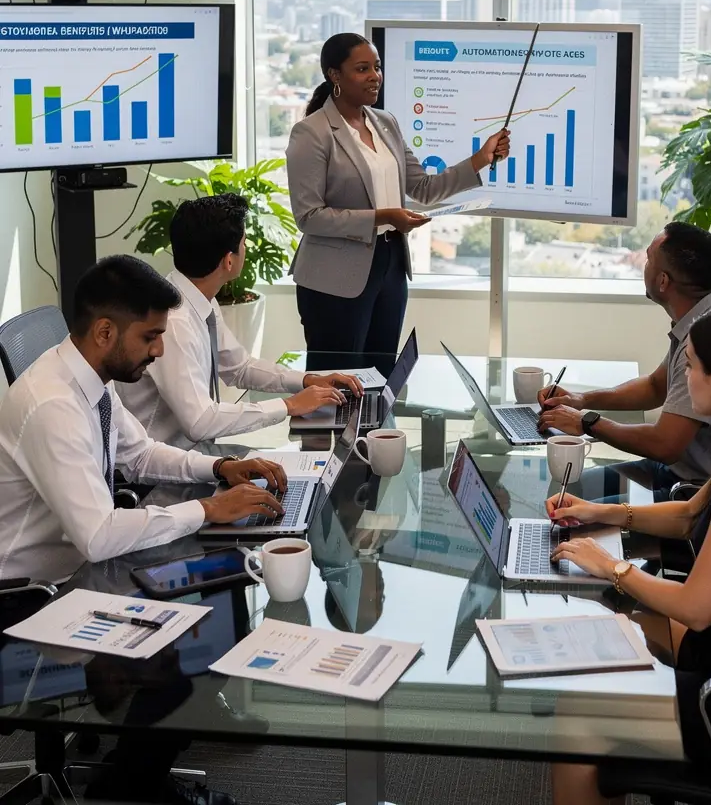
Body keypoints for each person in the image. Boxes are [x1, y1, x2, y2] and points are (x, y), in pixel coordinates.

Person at [545, 306, 711, 803]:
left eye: (690, 365)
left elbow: (696, 606)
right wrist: (597, 513)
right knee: (601, 629)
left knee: (580, 713)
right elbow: (689, 515)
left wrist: (611, 567)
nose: (682, 376)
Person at [0, 255, 290, 585]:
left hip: (86, 570)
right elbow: (99, 536)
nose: (160, 350)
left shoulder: (89, 376)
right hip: (34, 597)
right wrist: (208, 508)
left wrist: (220, 466)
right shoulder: (52, 405)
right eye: (150, 337)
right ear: (104, 332)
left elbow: (140, 455)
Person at [286, 32, 510, 371]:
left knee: (382, 373)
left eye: (377, 67)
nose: (374, 76)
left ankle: (373, 428)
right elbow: (310, 217)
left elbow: (423, 187)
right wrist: (383, 216)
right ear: (335, 75)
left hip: (389, 263)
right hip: (334, 279)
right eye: (362, 68)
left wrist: (480, 159)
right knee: (337, 384)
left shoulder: (385, 123)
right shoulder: (311, 133)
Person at [121, 193, 362, 449]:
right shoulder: (175, 323)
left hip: (193, 454)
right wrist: (289, 405)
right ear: (228, 260)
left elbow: (239, 368)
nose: (246, 249)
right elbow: (200, 422)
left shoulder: (197, 298)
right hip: (161, 470)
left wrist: (306, 380)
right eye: (244, 243)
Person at [538, 222, 711, 494]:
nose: (644, 265)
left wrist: (587, 422)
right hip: (675, 471)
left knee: (567, 498)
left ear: (663, 281)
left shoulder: (705, 339)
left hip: (695, 490)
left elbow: (665, 445)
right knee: (569, 490)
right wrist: (582, 399)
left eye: (649, 259)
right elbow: (656, 386)